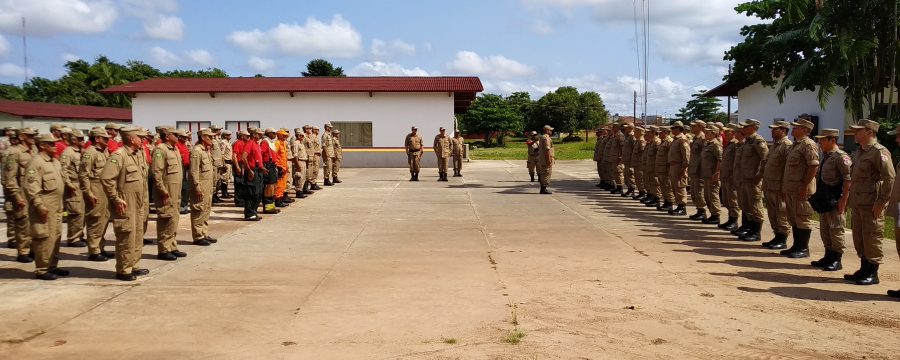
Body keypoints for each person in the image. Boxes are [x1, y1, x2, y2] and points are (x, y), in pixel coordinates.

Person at [844, 119, 894, 285]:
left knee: (872, 236)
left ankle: (873, 273)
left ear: (870, 132)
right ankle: (864, 269)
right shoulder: (860, 151)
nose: (855, 133)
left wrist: (881, 202)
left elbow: (890, 179)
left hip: (872, 203)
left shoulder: (880, 152)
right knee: (859, 237)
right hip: (858, 202)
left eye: (859, 131)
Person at [101, 126, 150, 282]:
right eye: (140, 137)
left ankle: (133, 264)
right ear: (131, 139)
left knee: (137, 234)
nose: (143, 140)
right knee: (126, 235)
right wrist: (115, 198)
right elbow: (106, 179)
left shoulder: (136, 154)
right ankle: (123, 269)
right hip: (125, 201)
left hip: (138, 201)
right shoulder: (119, 155)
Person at [24, 134, 67, 280]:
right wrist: (38, 205)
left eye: (55, 143)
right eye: (51, 144)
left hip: (56, 206)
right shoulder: (36, 163)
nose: (55, 146)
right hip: (44, 206)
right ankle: (42, 269)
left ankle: (52, 265)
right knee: (43, 237)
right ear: (42, 145)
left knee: (55, 236)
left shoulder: (54, 161)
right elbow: (31, 186)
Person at [811, 128, 851, 272]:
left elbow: (848, 180)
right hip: (825, 200)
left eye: (823, 140)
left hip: (835, 200)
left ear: (832, 140)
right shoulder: (825, 156)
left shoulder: (841, 157)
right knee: (825, 229)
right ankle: (828, 255)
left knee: (836, 229)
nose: (820, 142)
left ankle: (836, 259)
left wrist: (843, 200)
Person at [780, 118, 819, 258]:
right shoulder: (795, 145)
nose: (793, 129)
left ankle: (803, 248)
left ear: (805, 130)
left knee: (802, 218)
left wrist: (804, 185)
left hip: (801, 189)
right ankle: (796, 246)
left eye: (796, 127)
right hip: (791, 188)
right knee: (793, 218)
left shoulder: (808, 144)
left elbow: (813, 166)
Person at [152, 128, 187, 260]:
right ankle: (163, 249)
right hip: (166, 191)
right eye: (175, 135)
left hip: (175, 190)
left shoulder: (174, 149)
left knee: (174, 218)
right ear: (167, 136)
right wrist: (162, 189)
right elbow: (157, 172)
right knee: (165, 218)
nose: (178, 137)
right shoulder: (160, 150)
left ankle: (172, 246)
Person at [4, 127, 39, 263]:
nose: (32, 137)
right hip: (22, 192)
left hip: (34, 192)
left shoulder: (34, 151)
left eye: (33, 135)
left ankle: (33, 249)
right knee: (23, 222)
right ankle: (23, 251)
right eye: (29, 135)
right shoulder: (13, 153)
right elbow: (9, 178)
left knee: (35, 222)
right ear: (21, 137)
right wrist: (16, 195)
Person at [80, 128, 113, 261]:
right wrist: (88, 193)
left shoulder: (104, 151)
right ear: (97, 139)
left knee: (103, 220)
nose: (108, 141)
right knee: (95, 220)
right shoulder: (90, 153)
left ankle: (100, 247)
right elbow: (83, 175)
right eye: (105, 139)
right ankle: (94, 251)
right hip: (95, 189)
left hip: (103, 189)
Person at [761, 121, 793, 249]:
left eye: (775, 129)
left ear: (784, 131)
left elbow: (787, 168)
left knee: (781, 212)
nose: (772, 131)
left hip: (779, 186)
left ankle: (783, 238)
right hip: (770, 185)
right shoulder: (775, 145)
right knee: (772, 213)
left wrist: (784, 187)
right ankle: (777, 236)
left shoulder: (787, 145)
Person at [736, 119, 769, 242]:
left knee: (755, 206)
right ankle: (749, 229)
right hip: (745, 178)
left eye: (746, 126)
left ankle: (756, 232)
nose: (743, 128)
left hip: (753, 179)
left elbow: (765, 159)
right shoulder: (747, 141)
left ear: (754, 127)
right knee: (747, 205)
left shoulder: (758, 141)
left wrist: (759, 175)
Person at [190, 128, 218, 246]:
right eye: (210, 137)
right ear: (203, 138)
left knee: (206, 209)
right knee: (199, 210)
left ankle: (204, 233)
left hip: (208, 186)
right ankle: (198, 236)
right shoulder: (197, 151)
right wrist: (197, 187)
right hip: (201, 186)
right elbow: (194, 171)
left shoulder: (206, 150)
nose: (212, 139)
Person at [60, 130, 86, 247]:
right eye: (80, 139)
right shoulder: (68, 152)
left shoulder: (81, 152)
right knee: (75, 212)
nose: (83, 141)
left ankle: (79, 235)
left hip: (82, 185)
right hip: (73, 186)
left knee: (82, 213)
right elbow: (63, 170)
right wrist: (68, 184)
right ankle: (73, 238)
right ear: (74, 140)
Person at [718, 124, 742, 232]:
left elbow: (737, 162)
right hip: (725, 176)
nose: (726, 135)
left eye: (728, 133)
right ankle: (730, 219)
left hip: (731, 177)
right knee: (726, 199)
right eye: (725, 133)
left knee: (733, 200)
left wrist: (734, 174)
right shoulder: (729, 144)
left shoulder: (736, 145)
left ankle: (734, 221)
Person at [2, 128, 21, 249]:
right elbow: (8, 173)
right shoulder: (9, 153)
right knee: (12, 213)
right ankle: (13, 238)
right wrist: (10, 187)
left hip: (19, 185)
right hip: (11, 186)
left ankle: (18, 237)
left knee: (20, 214)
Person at [700, 125, 723, 225]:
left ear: (714, 133)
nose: (705, 133)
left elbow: (720, 159)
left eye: (708, 132)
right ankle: (712, 214)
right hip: (706, 174)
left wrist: (717, 173)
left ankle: (716, 215)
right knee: (707, 196)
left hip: (712, 175)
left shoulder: (716, 145)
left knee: (713, 195)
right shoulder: (707, 144)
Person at [668, 121, 690, 216]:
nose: (672, 130)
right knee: (675, 186)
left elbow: (686, 154)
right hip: (673, 165)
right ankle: (679, 205)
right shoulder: (675, 139)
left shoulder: (682, 139)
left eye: (673, 128)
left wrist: (684, 167)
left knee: (680, 186)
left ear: (678, 129)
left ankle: (682, 207)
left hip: (679, 166)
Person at [241, 128, 263, 221]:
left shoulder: (256, 144)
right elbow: (243, 157)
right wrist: (249, 170)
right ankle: (249, 214)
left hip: (258, 170)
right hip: (252, 170)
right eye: (259, 134)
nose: (261, 135)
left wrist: (262, 168)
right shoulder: (250, 143)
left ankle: (253, 212)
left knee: (257, 193)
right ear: (254, 134)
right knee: (251, 193)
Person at [687, 120, 708, 220]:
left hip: (699, 169)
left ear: (700, 127)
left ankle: (702, 211)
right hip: (694, 168)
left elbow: (704, 155)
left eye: (694, 126)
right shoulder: (696, 138)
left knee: (699, 192)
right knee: (694, 192)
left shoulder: (703, 138)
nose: (692, 128)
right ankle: (699, 210)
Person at [260, 128, 280, 214]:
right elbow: (260, 155)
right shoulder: (265, 142)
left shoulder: (270, 142)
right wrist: (262, 167)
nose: (275, 135)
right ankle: (267, 208)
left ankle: (271, 206)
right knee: (269, 187)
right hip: (267, 165)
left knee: (273, 187)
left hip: (272, 165)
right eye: (273, 133)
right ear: (268, 134)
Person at [655, 126, 674, 212]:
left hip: (666, 168)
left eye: (661, 132)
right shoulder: (663, 142)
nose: (659, 134)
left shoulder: (669, 141)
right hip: (661, 168)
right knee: (663, 186)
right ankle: (666, 202)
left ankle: (670, 203)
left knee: (667, 186)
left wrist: (669, 167)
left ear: (666, 132)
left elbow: (671, 156)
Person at [641, 126, 661, 207]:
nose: (647, 134)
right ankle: (652, 197)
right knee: (651, 182)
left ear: (653, 132)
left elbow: (658, 156)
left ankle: (657, 199)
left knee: (655, 183)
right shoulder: (651, 142)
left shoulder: (657, 142)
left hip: (654, 167)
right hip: (650, 166)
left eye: (649, 132)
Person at [606, 123, 625, 194]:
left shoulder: (620, 136)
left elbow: (622, 147)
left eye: (614, 127)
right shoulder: (615, 135)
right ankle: (618, 186)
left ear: (617, 127)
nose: (612, 128)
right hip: (614, 158)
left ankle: (620, 188)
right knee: (615, 173)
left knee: (619, 172)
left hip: (618, 158)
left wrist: (621, 157)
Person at [274, 129, 290, 207]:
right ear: (279, 135)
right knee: (279, 185)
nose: (285, 137)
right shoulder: (277, 143)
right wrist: (278, 166)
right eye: (283, 136)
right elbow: (274, 155)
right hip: (280, 167)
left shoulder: (283, 143)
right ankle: (278, 200)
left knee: (283, 185)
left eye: (286, 136)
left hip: (284, 167)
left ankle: (281, 199)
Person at [629, 126, 646, 200]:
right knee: (637, 179)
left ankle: (643, 193)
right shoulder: (638, 140)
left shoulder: (642, 141)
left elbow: (643, 153)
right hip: (637, 164)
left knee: (640, 179)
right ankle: (640, 192)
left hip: (640, 164)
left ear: (639, 133)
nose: (634, 133)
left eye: (635, 132)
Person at [231, 130, 248, 207]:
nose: (248, 137)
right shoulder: (238, 143)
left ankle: (242, 199)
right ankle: (239, 201)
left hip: (243, 165)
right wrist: (237, 167)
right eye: (246, 136)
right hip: (239, 164)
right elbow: (234, 156)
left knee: (243, 183)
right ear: (242, 136)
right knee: (239, 183)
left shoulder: (244, 143)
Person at [291, 129, 308, 198]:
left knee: (303, 177)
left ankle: (301, 190)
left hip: (303, 161)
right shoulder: (296, 143)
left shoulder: (301, 144)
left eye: (303, 136)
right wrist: (297, 165)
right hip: (299, 161)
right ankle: (298, 191)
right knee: (299, 177)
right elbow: (295, 155)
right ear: (297, 136)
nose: (302, 137)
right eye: (301, 135)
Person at [538, 125, 555, 194]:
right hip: (546, 159)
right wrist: (548, 160)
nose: (551, 131)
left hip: (544, 159)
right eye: (550, 130)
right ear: (547, 130)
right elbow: (547, 150)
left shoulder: (543, 137)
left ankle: (543, 188)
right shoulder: (546, 138)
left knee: (545, 173)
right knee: (546, 173)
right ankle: (543, 189)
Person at [304, 126, 322, 190]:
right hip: (314, 155)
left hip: (317, 155)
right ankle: (313, 183)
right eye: (317, 130)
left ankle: (314, 182)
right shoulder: (312, 137)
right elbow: (310, 147)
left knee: (316, 169)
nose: (318, 131)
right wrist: (315, 152)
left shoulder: (316, 137)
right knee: (314, 170)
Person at [621, 123, 636, 196]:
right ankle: (629, 188)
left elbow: (635, 148)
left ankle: (632, 189)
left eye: (626, 128)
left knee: (630, 175)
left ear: (630, 128)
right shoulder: (626, 136)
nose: (625, 129)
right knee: (626, 175)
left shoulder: (632, 136)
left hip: (630, 160)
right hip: (626, 160)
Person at [220, 130, 234, 200]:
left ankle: (226, 192)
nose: (230, 136)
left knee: (227, 178)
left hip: (229, 162)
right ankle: (224, 193)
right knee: (224, 178)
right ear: (225, 135)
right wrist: (223, 164)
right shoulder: (223, 142)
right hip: (226, 162)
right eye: (228, 134)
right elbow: (222, 154)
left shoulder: (228, 142)